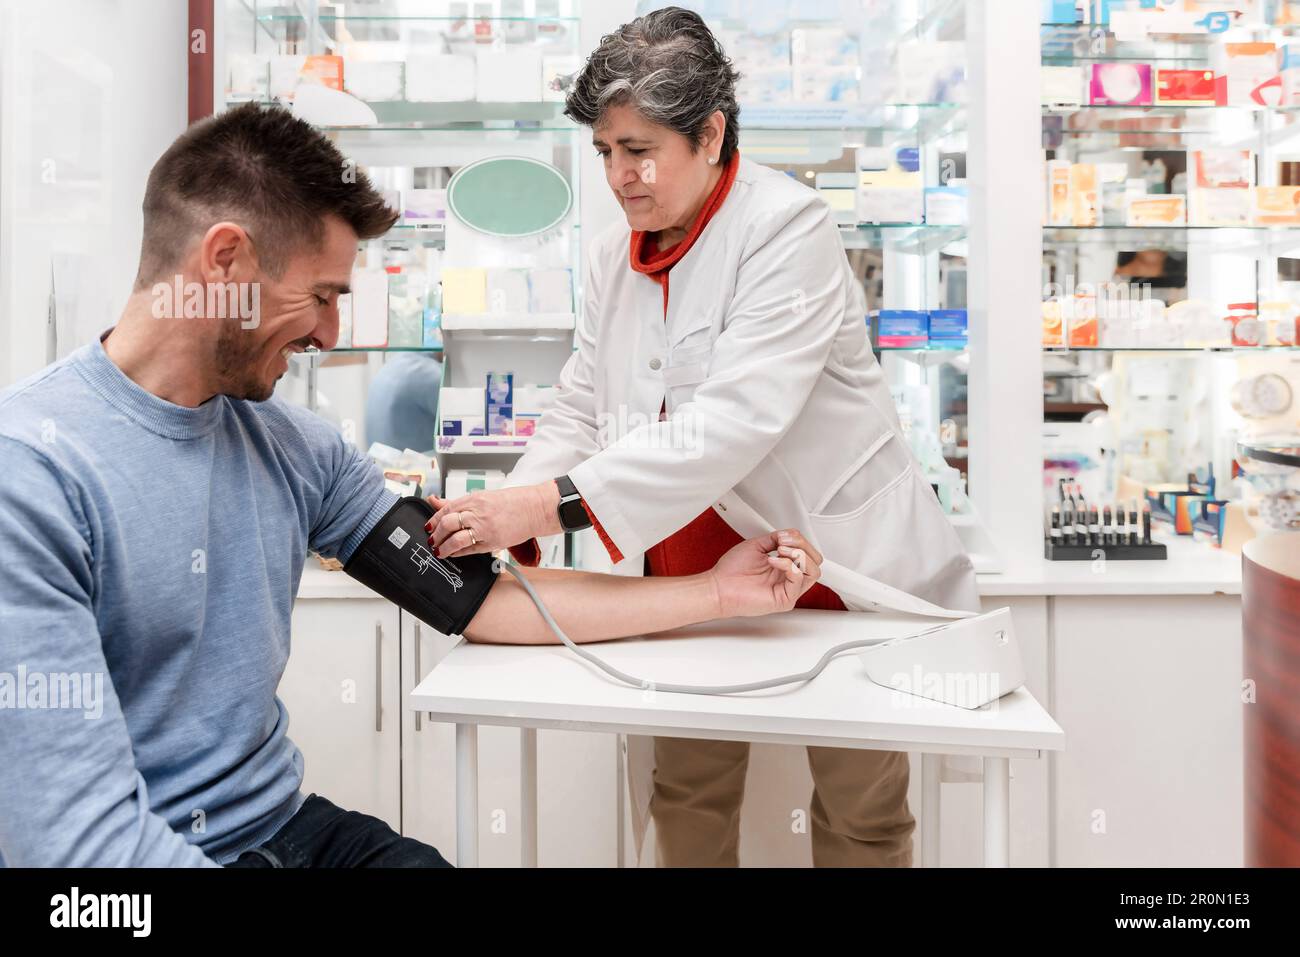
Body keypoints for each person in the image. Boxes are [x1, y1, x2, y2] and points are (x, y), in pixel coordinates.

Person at [0, 101, 824, 868]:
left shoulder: (293, 448)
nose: (328, 331)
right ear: (224, 260)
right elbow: (76, 846)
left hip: (283, 829)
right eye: (321, 296)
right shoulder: (33, 474)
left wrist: (716, 594)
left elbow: (481, 599)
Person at [423, 7, 979, 867]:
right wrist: (513, 506)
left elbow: (735, 420)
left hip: (825, 563)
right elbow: (582, 401)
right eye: (606, 151)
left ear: (711, 133)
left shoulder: (788, 226)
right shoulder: (615, 254)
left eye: (639, 148)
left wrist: (544, 505)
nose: (619, 174)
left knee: (861, 811)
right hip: (687, 579)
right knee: (686, 798)